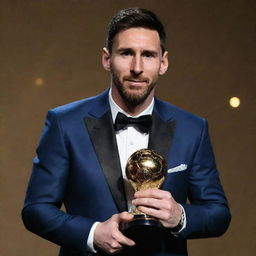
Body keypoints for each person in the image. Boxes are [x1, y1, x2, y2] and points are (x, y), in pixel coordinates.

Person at [22, 8, 231, 256]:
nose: (137, 67)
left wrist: (180, 215)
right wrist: (92, 233)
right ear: (107, 59)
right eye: (126, 53)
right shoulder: (64, 123)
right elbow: (36, 208)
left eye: (148, 55)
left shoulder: (193, 128)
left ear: (163, 63)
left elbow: (218, 214)